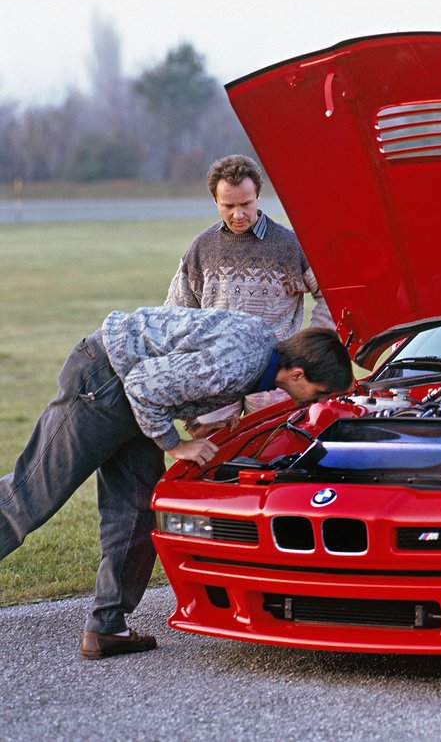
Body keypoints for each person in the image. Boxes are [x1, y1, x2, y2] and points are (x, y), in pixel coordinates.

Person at [0, 306, 351, 660]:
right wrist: (176, 445)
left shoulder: (264, 349)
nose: (321, 403)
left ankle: (108, 626)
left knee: (137, 512)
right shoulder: (242, 363)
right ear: (297, 374)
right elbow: (144, 385)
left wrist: (196, 421)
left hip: (131, 396)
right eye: (321, 394)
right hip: (103, 380)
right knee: (29, 498)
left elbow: (179, 369)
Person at [165, 154, 334, 424]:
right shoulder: (202, 248)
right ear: (215, 201)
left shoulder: (291, 246)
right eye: (228, 206)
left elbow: (331, 295)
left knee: (275, 452)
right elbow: (176, 312)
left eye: (246, 203)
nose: (238, 214)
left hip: (275, 376)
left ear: (258, 195)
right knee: (213, 456)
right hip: (216, 373)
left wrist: (307, 349)